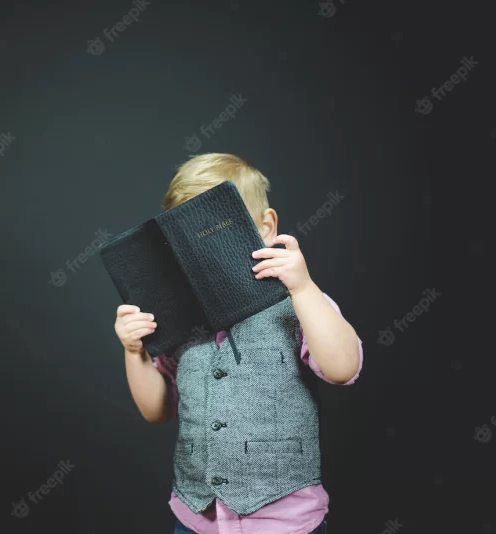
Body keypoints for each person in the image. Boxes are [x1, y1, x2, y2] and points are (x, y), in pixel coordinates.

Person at [114, 153, 363, 534]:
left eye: (209, 232)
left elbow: (343, 367)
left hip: (284, 522)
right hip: (196, 518)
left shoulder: (297, 304)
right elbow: (157, 410)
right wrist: (134, 353)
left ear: (265, 227)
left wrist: (304, 287)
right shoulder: (180, 317)